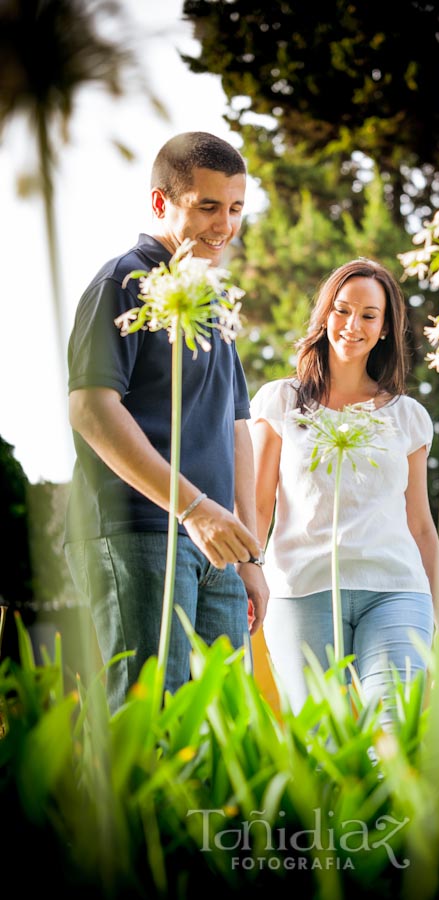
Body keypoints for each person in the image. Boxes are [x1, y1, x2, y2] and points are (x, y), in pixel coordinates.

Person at [64, 131, 269, 714]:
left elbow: (237, 429)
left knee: (226, 729)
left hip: (217, 548)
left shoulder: (212, 300)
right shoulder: (122, 282)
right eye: (207, 206)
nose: (224, 226)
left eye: (234, 209)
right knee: (147, 723)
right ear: (162, 204)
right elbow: (90, 408)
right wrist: (193, 507)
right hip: (138, 532)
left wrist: (250, 555)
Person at [249, 258, 439, 725]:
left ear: (384, 329)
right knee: (323, 740)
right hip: (302, 590)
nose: (352, 324)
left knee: (392, 734)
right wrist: (248, 573)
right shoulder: (281, 402)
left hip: (397, 590)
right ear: (324, 316)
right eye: (342, 310)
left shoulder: (407, 417)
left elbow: (421, 526)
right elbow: (260, 506)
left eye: (368, 315)